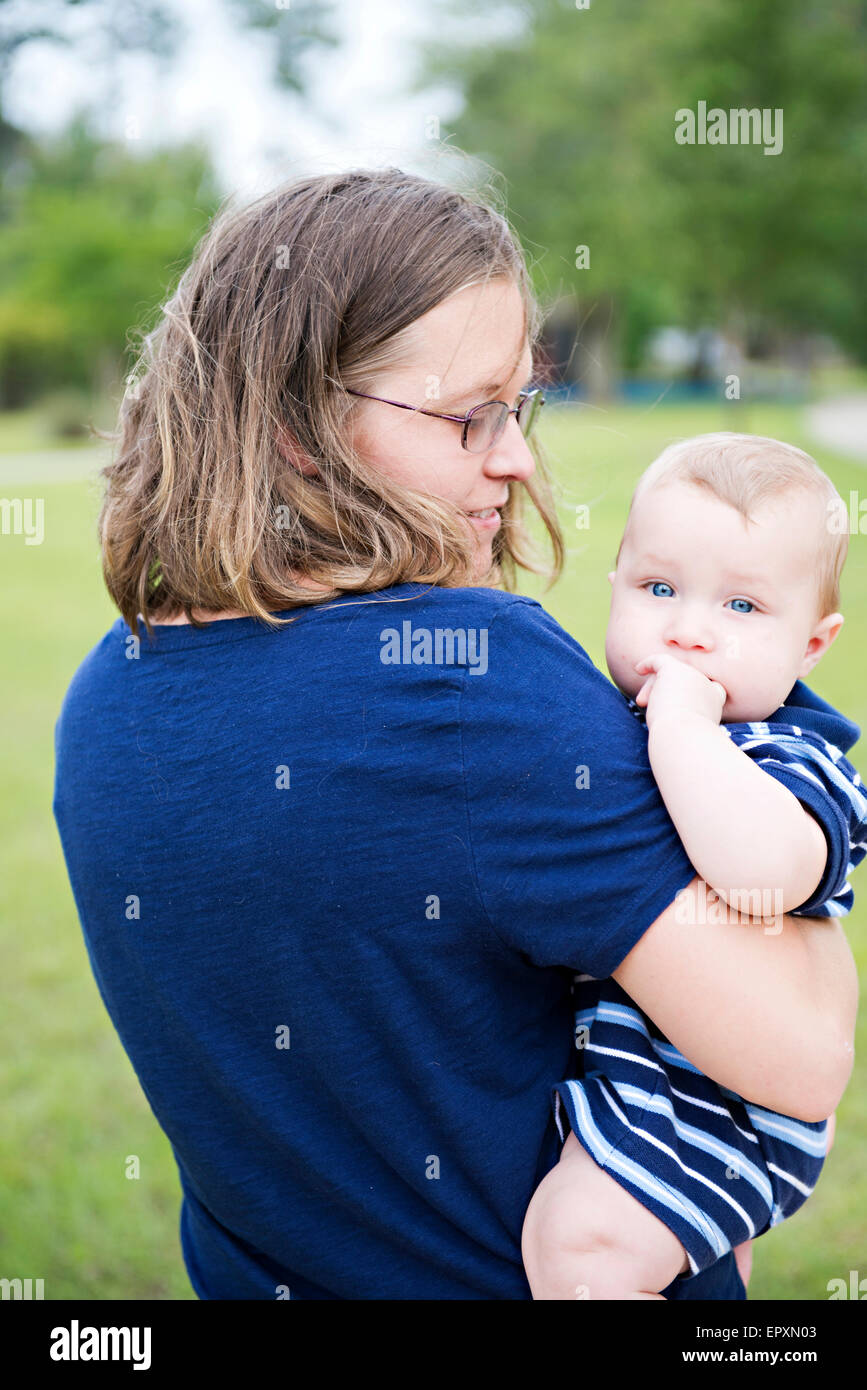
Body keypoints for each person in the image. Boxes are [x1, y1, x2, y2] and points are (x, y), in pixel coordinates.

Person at [52, 168, 857, 1300]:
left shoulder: (104, 695)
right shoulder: (471, 677)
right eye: (470, 413)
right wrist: (797, 784)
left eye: (521, 405)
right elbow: (801, 1054)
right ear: (295, 426)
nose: (518, 457)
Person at [521, 434, 867, 1299]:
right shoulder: (614, 720)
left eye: (742, 608)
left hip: (720, 1110)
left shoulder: (793, 758)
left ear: (811, 646)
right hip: (641, 1077)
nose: (687, 629)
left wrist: (681, 727)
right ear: (615, 586)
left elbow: (763, 873)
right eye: (658, 588)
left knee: (577, 1247)